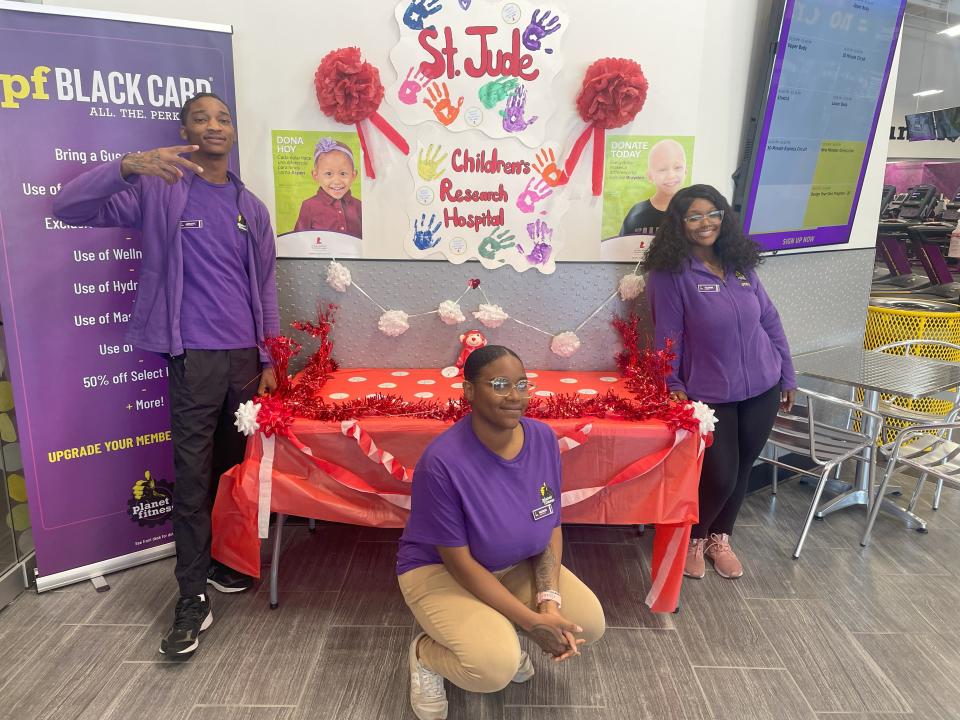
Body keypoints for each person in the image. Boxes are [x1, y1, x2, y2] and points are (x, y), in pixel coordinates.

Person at [53, 92, 280, 656]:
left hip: (244, 364)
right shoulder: (158, 191)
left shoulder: (250, 206)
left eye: (224, 118)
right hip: (193, 358)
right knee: (193, 479)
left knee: (235, 473)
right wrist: (125, 167)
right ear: (184, 130)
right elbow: (67, 209)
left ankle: (224, 566)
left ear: (233, 131)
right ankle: (189, 599)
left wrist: (271, 358)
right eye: (201, 118)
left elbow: (267, 287)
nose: (214, 126)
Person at [396, 345, 605, 720]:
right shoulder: (441, 463)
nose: (515, 396)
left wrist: (548, 604)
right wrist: (532, 623)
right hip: (440, 572)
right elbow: (459, 564)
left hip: (512, 563)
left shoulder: (542, 439)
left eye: (522, 384)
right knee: (492, 670)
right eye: (499, 384)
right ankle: (425, 655)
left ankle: (502, 633)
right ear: (469, 391)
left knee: (587, 622)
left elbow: (550, 524)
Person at [643, 184, 796, 580]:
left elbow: (770, 320)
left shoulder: (739, 264)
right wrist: (671, 382)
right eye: (693, 216)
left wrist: (786, 373)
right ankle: (694, 537)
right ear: (678, 224)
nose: (704, 223)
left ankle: (720, 538)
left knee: (745, 466)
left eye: (712, 213)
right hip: (711, 393)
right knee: (720, 473)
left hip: (763, 383)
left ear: (724, 216)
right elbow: (667, 336)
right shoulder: (670, 274)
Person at [293, 137, 362, 238]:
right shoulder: (309, 206)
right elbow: (299, 240)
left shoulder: (359, 206)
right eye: (328, 173)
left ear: (353, 175)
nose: (337, 181)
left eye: (343, 173)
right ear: (315, 175)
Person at [619, 138, 687, 237]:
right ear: (650, 175)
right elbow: (621, 247)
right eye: (662, 169)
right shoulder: (637, 214)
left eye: (677, 168)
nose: (671, 175)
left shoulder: (691, 212)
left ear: (685, 171)